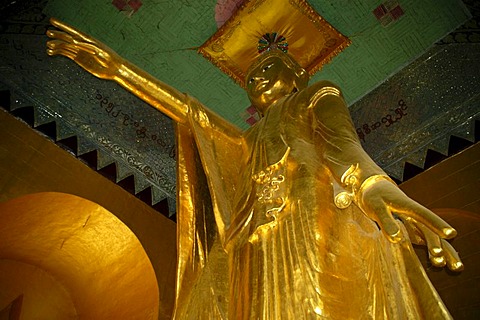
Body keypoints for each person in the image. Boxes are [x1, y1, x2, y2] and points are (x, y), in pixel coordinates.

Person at [47, 18, 463, 319]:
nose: (257, 79)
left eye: (267, 68)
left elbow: (343, 144)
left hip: (307, 208)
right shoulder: (245, 141)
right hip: (252, 230)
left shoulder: (316, 95)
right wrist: (120, 70)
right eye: (250, 78)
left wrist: (375, 186)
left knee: (317, 300)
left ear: (297, 74)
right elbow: (190, 112)